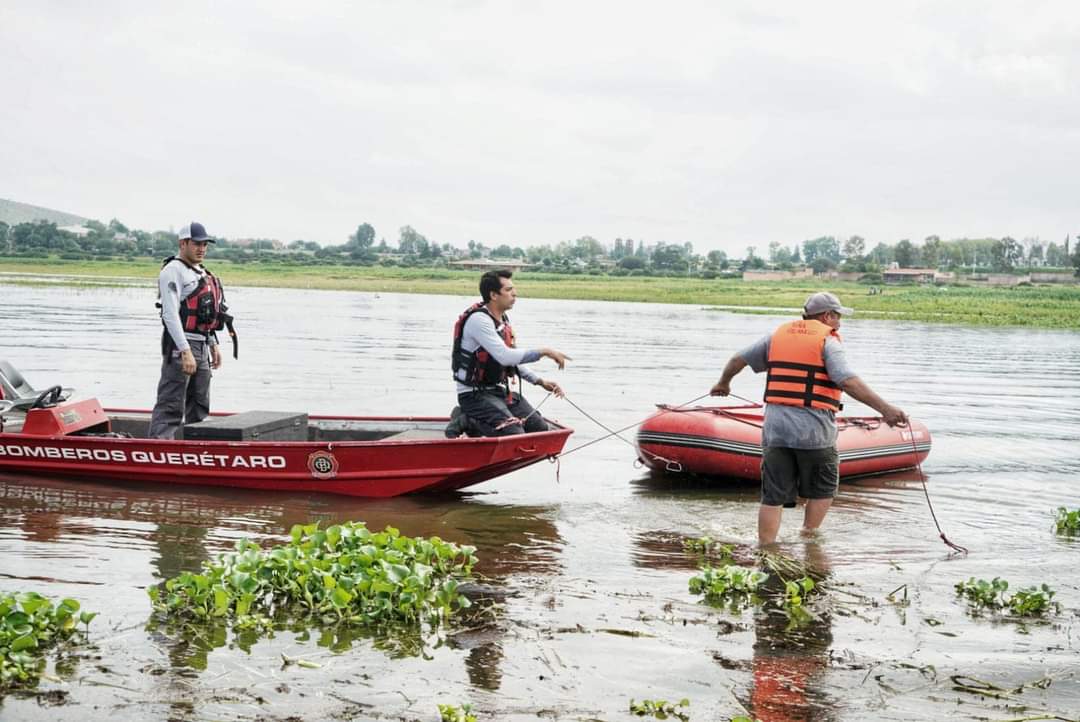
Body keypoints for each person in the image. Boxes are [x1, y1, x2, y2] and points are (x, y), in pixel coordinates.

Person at [710, 291, 908, 545]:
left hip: (776, 432)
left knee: (773, 496)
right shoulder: (828, 342)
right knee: (823, 488)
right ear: (827, 316)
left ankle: (766, 547)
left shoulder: (776, 337)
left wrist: (723, 383)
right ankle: (808, 537)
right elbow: (848, 381)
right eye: (837, 316)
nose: (839, 322)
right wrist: (886, 409)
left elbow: (738, 359)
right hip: (814, 433)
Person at [448, 269, 570, 437]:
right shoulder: (479, 320)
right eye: (508, 290)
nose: (515, 294)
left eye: (513, 289)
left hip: (498, 392)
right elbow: (505, 356)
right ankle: (466, 419)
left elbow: (512, 361)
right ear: (493, 295)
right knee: (514, 432)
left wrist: (540, 381)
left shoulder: (503, 320)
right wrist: (545, 352)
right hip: (473, 395)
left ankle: (476, 419)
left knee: (539, 429)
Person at [148, 222, 234, 439]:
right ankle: (158, 450)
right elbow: (170, 314)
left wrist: (213, 344)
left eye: (205, 244)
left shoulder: (202, 272)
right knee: (171, 405)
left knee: (200, 404)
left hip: (202, 344)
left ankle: (196, 451)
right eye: (197, 243)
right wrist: (185, 350)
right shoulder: (173, 271)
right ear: (183, 243)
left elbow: (207, 314)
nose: (202, 248)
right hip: (181, 345)